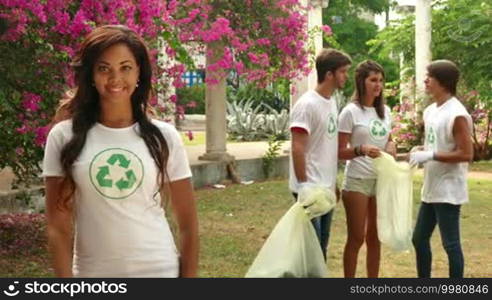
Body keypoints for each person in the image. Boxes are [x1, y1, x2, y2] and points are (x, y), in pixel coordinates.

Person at [42, 25, 199, 278]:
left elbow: (188, 226)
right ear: (91, 75)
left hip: (160, 271)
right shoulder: (64, 136)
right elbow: (57, 227)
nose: (115, 78)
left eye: (125, 67)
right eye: (104, 68)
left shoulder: (165, 137)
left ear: (139, 73)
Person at [409, 60, 473, 278]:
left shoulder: (457, 114)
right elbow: (436, 143)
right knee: (418, 238)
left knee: (451, 244)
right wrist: (422, 150)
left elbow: (466, 154)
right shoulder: (430, 111)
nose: (425, 80)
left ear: (443, 82)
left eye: (430, 76)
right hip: (431, 187)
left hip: (448, 189)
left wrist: (431, 155)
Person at [289, 48, 352, 261]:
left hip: (325, 187)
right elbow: (298, 147)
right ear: (329, 74)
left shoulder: (331, 102)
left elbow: (327, 146)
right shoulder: (307, 105)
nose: (346, 76)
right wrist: (303, 185)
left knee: (322, 246)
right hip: (309, 188)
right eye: (343, 72)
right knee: (312, 249)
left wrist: (332, 182)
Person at [337, 60, 396, 278]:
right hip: (357, 181)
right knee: (356, 238)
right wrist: (360, 149)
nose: (377, 85)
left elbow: (388, 140)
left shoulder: (385, 111)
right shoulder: (350, 112)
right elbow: (339, 151)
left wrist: (392, 145)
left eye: (380, 80)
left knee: (375, 237)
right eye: (373, 80)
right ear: (361, 81)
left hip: (380, 180)